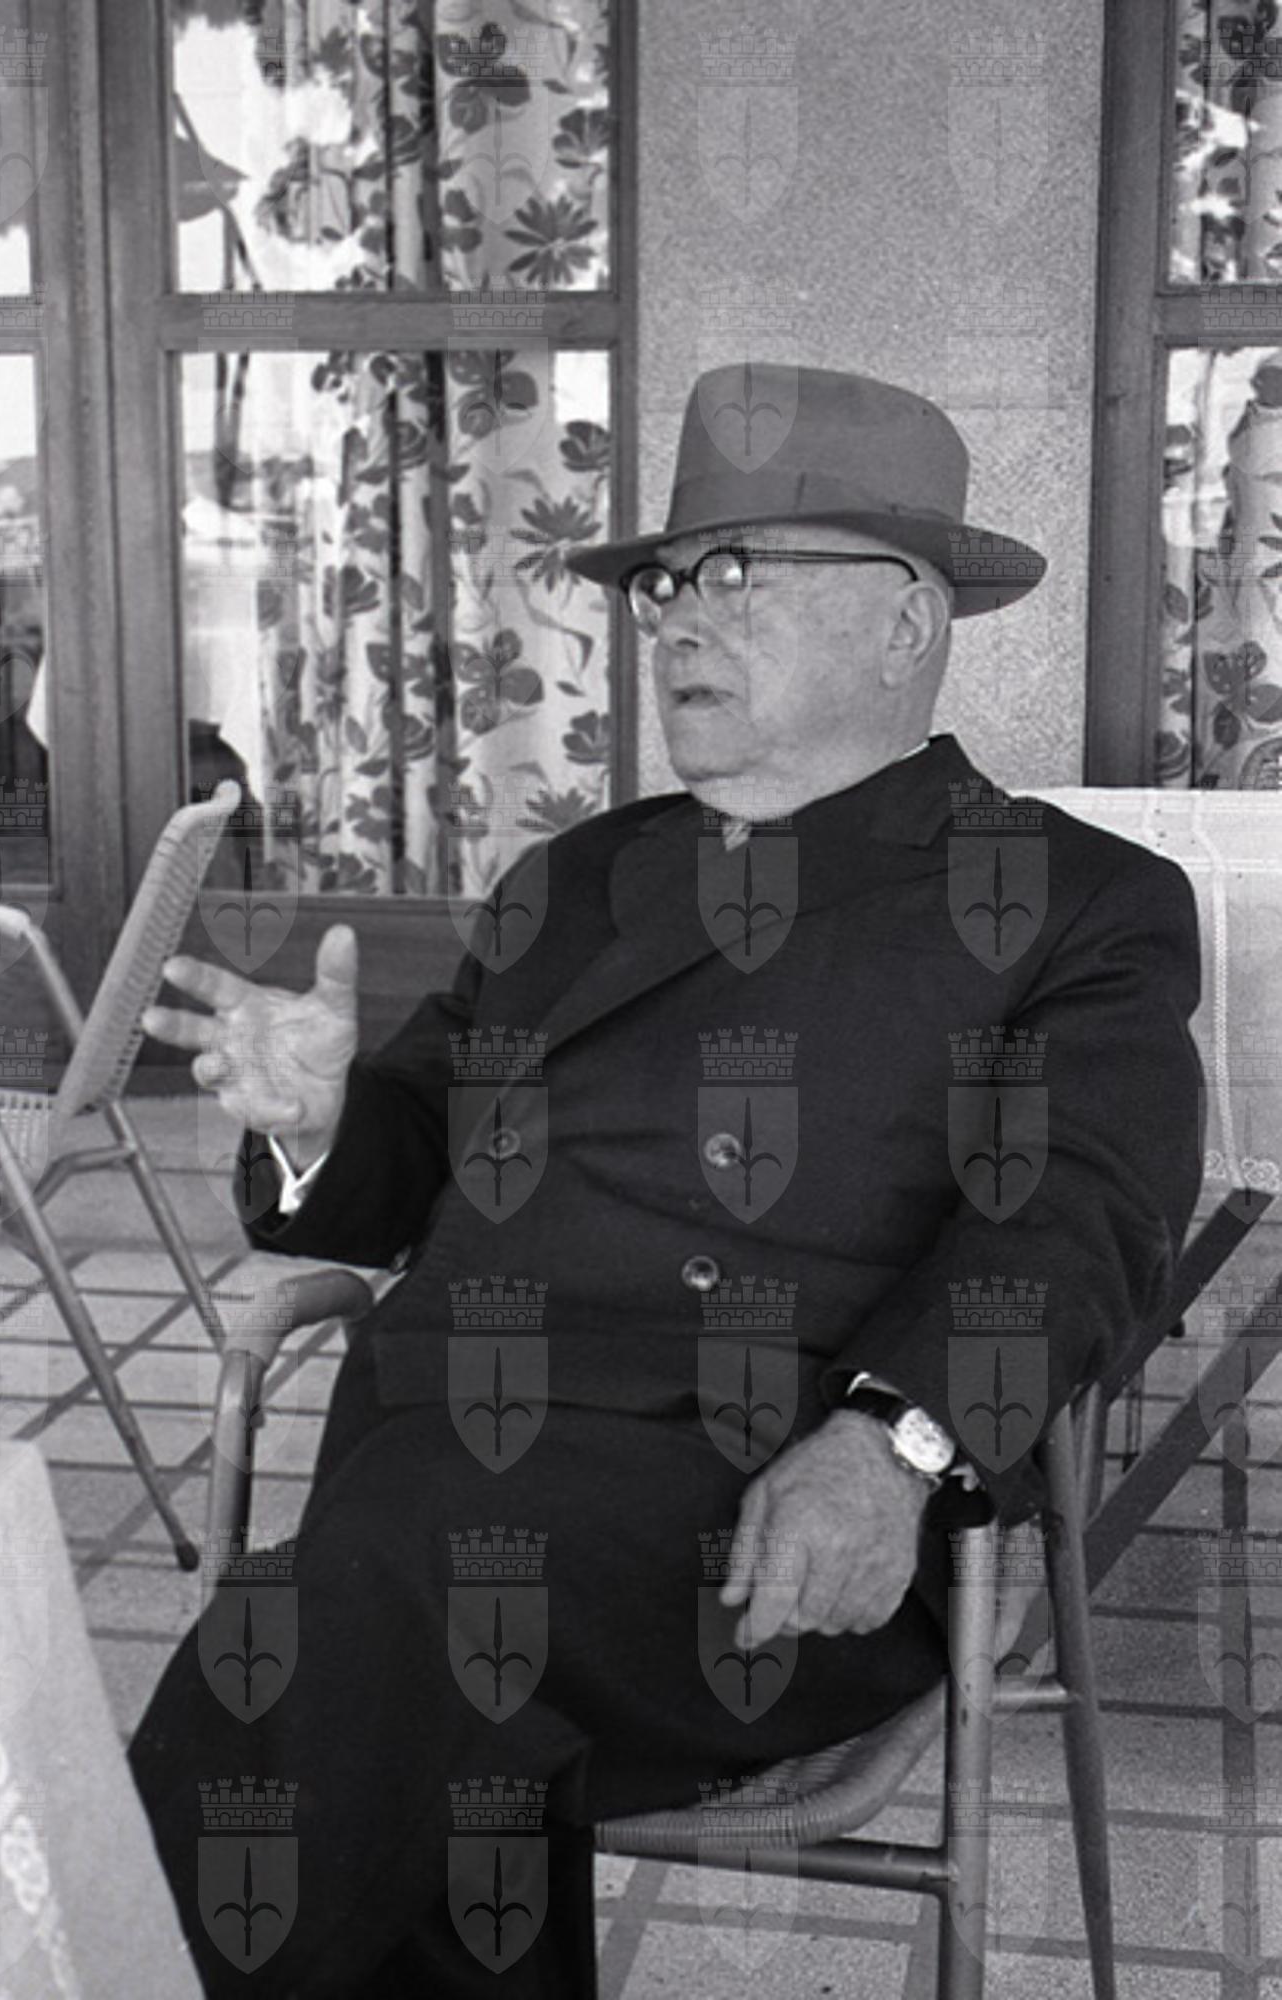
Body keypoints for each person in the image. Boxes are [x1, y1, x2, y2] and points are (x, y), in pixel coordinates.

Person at [130, 367, 1204, 1997]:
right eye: (664, 584)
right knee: (403, 1667)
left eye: (735, 574)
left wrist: (897, 1444)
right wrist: (322, 1121)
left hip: (772, 1509)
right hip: (447, 1457)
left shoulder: (1068, 900)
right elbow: (400, 1164)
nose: (678, 620)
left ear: (906, 619)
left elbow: (1081, 1220)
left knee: (365, 1621)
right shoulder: (576, 876)